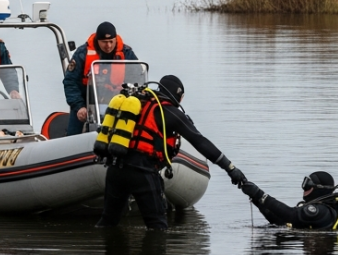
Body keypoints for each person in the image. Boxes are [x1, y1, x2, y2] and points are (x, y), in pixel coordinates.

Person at [99, 74, 246, 231]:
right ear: (178, 96)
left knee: (108, 222)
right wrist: (229, 168)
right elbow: (200, 142)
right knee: (157, 227)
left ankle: (102, 252)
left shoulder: (137, 103)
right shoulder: (171, 112)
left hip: (115, 170)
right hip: (142, 173)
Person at [63, 21, 137, 135]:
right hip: (86, 101)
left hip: (117, 101)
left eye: (111, 42)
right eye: (104, 42)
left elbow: (136, 78)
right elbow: (70, 81)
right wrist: (79, 107)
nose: (108, 46)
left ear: (115, 39)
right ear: (97, 41)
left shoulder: (127, 54)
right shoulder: (82, 53)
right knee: (73, 134)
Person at [240, 171, 338, 230]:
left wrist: (259, 193)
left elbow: (290, 215)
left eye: (307, 186)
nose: (304, 190)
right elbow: (279, 221)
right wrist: (257, 200)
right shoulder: (323, 209)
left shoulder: (321, 211)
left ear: (318, 189)